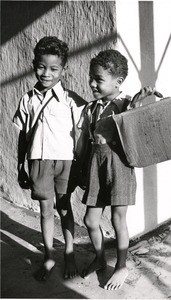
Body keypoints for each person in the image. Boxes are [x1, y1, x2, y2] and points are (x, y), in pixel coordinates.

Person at [77, 49, 156, 290]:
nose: (92, 83)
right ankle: (100, 258)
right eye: (92, 77)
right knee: (90, 219)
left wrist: (136, 103)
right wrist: (81, 170)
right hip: (96, 165)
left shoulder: (124, 103)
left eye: (98, 79)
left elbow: (132, 125)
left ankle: (121, 266)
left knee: (117, 219)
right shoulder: (92, 108)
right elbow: (83, 142)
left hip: (118, 165)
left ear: (118, 82)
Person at [13, 36, 86, 281]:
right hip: (38, 162)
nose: (47, 73)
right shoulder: (27, 99)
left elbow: (89, 125)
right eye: (42, 67)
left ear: (63, 69)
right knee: (45, 211)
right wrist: (20, 164)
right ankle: (49, 256)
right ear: (34, 64)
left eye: (54, 68)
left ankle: (69, 253)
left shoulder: (71, 100)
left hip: (65, 162)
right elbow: (23, 135)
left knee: (64, 209)